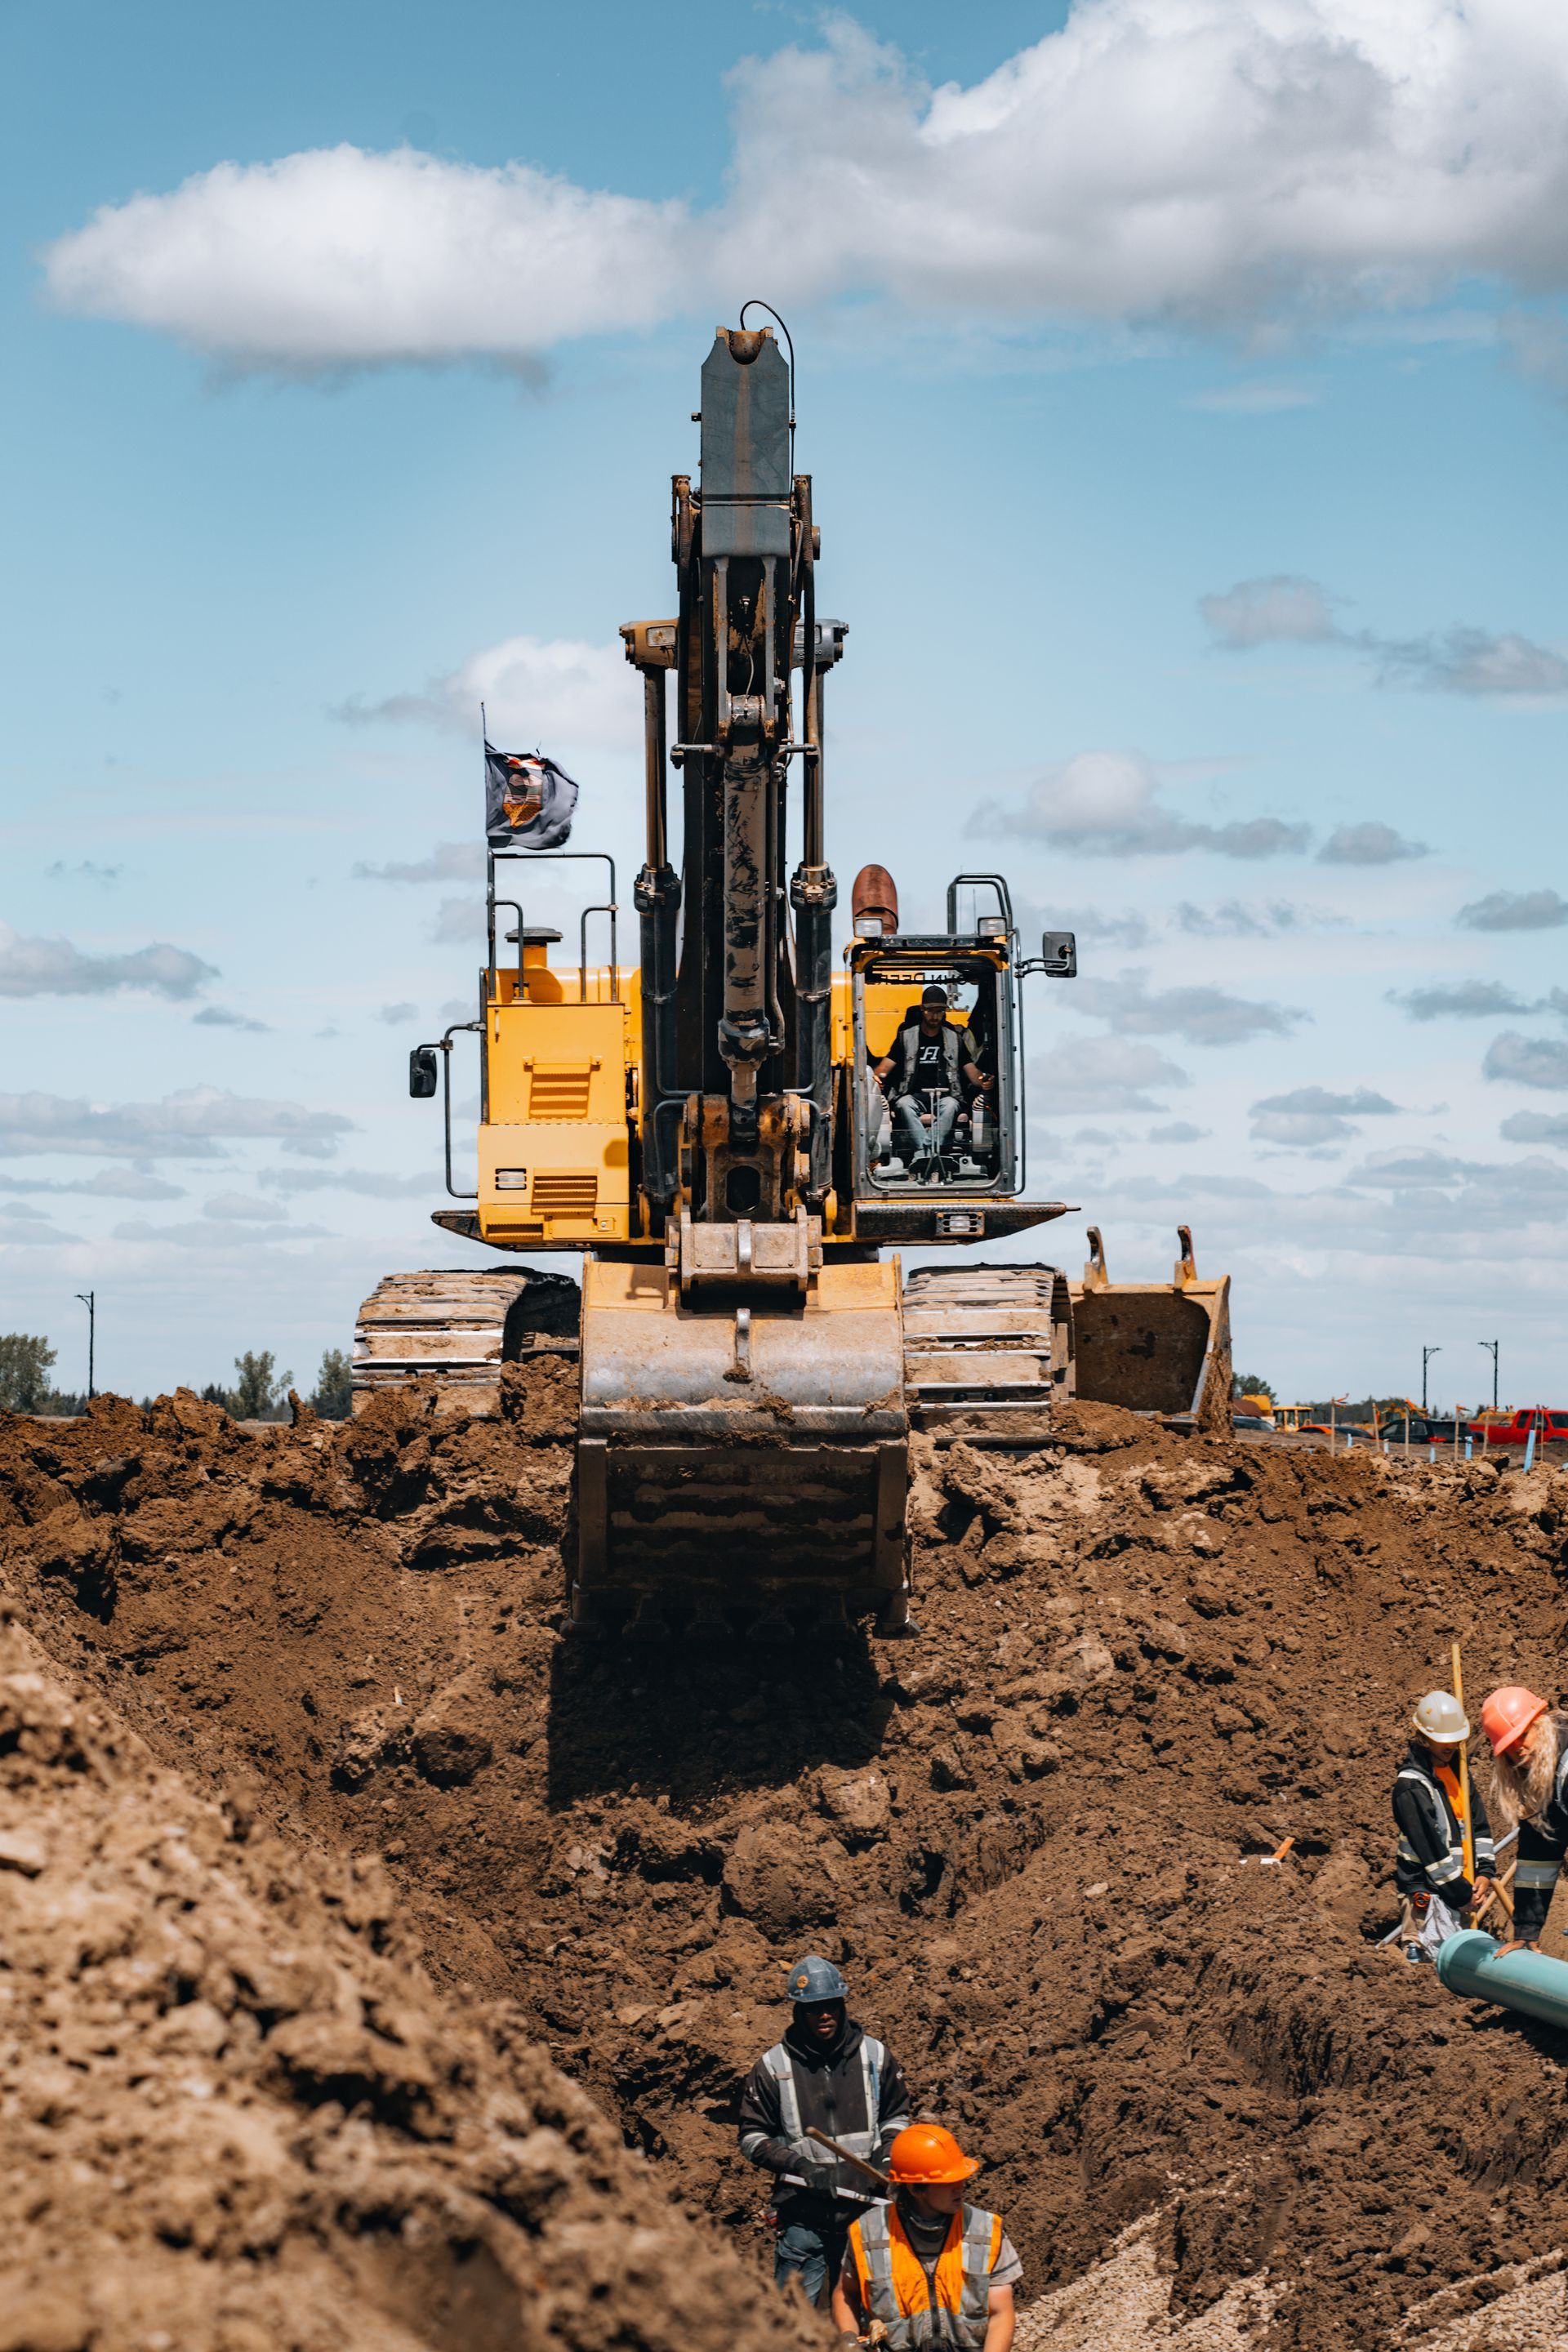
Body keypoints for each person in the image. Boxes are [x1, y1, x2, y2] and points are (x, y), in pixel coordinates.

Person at [738, 1955, 912, 2309]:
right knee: (792, 2319)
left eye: (831, 2005)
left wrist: (887, 2158)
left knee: (875, 2316)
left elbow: (897, 2116)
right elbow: (752, 2137)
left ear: (842, 2004)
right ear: (797, 2012)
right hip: (804, 2216)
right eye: (813, 2009)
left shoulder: (875, 2056)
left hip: (867, 2210)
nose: (824, 2015)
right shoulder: (773, 2067)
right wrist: (801, 2166)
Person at [831, 2123, 1019, 2352]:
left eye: (960, 2177)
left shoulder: (986, 2231)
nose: (960, 2186)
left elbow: (1001, 2313)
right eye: (948, 2181)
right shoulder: (868, 2233)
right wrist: (848, 2338)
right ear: (916, 2189)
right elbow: (846, 2293)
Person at [1393, 1689, 1499, 1962]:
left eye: (1454, 1739)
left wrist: (1484, 1872)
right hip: (1428, 1893)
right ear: (1423, 1737)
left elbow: (1479, 1827)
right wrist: (1461, 1893)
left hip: (1461, 1891)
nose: (1450, 1746)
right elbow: (1431, 1849)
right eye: (1442, 1740)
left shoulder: (1459, 1773)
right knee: (1424, 1968)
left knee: (1458, 1968)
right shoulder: (1411, 1786)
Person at [1477, 1685, 1568, 1949]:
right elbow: (1538, 1857)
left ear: (1540, 1724)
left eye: (1523, 1735)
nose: (1518, 1748)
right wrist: (1526, 1931)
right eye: (1509, 1744)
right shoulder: (1541, 1779)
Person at [874, 989, 992, 1178]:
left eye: (939, 1011)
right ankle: (929, 1155)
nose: (935, 1016)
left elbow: (972, 1073)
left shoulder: (955, 1039)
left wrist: (984, 1081)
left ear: (944, 1012)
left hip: (945, 1097)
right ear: (923, 1010)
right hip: (913, 1097)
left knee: (951, 1105)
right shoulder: (906, 1037)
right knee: (904, 1104)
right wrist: (875, 1077)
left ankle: (923, 1154)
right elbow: (884, 1069)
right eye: (930, 1011)